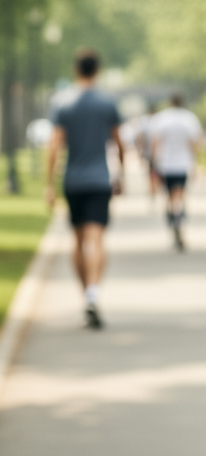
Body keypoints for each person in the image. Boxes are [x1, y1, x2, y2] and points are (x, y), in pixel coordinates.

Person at [45, 48, 124, 329]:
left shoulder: (63, 103)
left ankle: (85, 296)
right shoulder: (106, 103)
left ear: (76, 69)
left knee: (78, 241)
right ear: (97, 70)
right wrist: (121, 172)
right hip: (100, 179)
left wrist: (48, 185)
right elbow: (118, 141)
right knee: (98, 239)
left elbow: (54, 145)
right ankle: (94, 293)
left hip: (73, 180)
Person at [148, 93, 203, 251]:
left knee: (169, 195)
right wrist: (194, 162)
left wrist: (153, 162)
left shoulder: (161, 119)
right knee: (179, 193)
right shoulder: (189, 118)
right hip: (183, 163)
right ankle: (179, 216)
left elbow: (155, 142)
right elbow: (194, 143)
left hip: (165, 164)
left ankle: (173, 216)